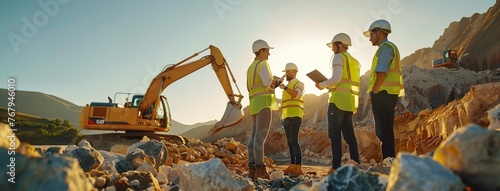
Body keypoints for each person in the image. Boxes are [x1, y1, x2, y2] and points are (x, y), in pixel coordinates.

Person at [315, 33, 360, 175]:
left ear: (339, 45)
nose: (332, 49)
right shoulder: (354, 61)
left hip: (338, 101)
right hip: (350, 101)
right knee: (349, 135)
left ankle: (336, 167)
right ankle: (356, 165)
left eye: (333, 46)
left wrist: (322, 84)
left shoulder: (338, 57)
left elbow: (336, 79)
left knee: (334, 133)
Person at [363, 19, 405, 160]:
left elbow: (382, 70)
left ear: (379, 32)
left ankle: (389, 159)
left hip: (383, 93)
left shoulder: (386, 47)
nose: (370, 39)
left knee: (383, 130)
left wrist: (375, 90)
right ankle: (388, 159)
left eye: (371, 35)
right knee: (383, 130)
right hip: (385, 93)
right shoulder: (386, 48)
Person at [246, 39, 281, 181]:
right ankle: (260, 171)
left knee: (253, 139)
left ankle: (252, 170)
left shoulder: (250, 67)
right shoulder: (263, 64)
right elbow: (268, 83)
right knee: (260, 139)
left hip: (254, 105)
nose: (269, 54)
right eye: (267, 50)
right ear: (261, 51)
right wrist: (277, 82)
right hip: (263, 104)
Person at [279, 63, 305, 177]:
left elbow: (297, 95)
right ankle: (293, 164)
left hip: (295, 116)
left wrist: (284, 87)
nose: (285, 75)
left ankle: (299, 166)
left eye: (287, 72)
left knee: (294, 140)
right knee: (289, 142)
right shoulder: (287, 86)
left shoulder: (299, 84)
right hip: (287, 117)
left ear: (293, 72)